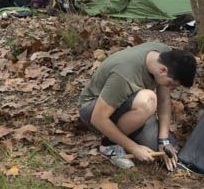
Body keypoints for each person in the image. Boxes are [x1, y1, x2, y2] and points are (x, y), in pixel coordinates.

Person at [80, 42, 196, 171]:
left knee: (169, 150)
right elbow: (98, 118)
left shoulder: (164, 56)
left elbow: (163, 101)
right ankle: (108, 145)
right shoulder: (124, 75)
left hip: (130, 104)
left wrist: (164, 141)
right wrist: (133, 148)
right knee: (149, 99)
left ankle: (126, 131)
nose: (171, 88)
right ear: (163, 70)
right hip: (94, 109)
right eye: (171, 84)